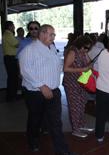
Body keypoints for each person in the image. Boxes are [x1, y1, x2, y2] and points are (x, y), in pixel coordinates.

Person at [19, 24, 74, 155]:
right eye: (52, 34)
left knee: (56, 123)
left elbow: (56, 64)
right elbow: (25, 70)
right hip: (35, 93)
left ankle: (62, 151)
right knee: (35, 119)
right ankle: (33, 141)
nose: (54, 37)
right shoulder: (29, 50)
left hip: (54, 91)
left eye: (54, 35)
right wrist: (42, 86)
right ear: (42, 34)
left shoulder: (52, 48)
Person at [62, 35, 93, 138]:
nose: (86, 50)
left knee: (82, 104)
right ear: (80, 45)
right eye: (85, 47)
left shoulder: (82, 52)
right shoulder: (72, 52)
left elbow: (89, 63)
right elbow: (65, 69)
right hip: (71, 83)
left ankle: (81, 124)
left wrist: (87, 57)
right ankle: (76, 129)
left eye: (88, 48)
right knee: (75, 107)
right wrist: (82, 69)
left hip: (81, 83)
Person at [2, 21, 19, 101]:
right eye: (13, 26)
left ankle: (11, 95)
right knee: (13, 77)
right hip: (10, 58)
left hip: (9, 58)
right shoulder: (8, 34)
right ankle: (12, 96)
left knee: (12, 77)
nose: (14, 27)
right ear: (9, 26)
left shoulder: (7, 34)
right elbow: (16, 44)